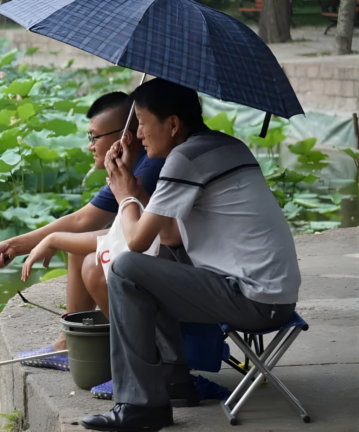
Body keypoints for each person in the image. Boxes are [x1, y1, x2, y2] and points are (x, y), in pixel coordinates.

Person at [71, 78, 300, 431]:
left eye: (143, 125)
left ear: (173, 124)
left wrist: (124, 193)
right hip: (271, 295)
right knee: (154, 262)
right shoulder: (221, 146)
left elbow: (133, 243)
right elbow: (170, 235)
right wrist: (130, 180)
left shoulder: (185, 158)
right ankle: (175, 382)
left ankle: (139, 404)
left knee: (126, 269)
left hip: (254, 300)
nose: (140, 136)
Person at [0, 91, 165, 369]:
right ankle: (68, 343)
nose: (90, 146)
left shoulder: (148, 171)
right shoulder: (128, 166)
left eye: (94, 137)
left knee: (91, 263)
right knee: (78, 245)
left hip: (169, 263)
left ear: (124, 135)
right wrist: (13, 246)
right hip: (149, 256)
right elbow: (82, 220)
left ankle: (136, 362)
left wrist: (54, 239)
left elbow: (129, 238)